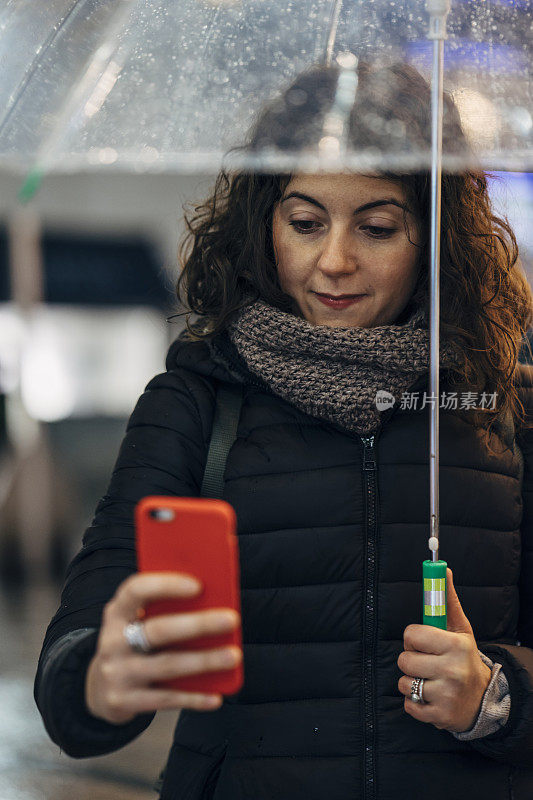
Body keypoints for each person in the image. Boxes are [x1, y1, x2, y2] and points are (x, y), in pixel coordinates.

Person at [34, 60, 533, 800]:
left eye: (377, 227)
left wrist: (497, 697)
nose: (333, 262)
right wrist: (104, 678)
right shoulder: (196, 401)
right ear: (264, 223)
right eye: (304, 223)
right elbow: (74, 658)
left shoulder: (503, 409)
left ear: (433, 236)